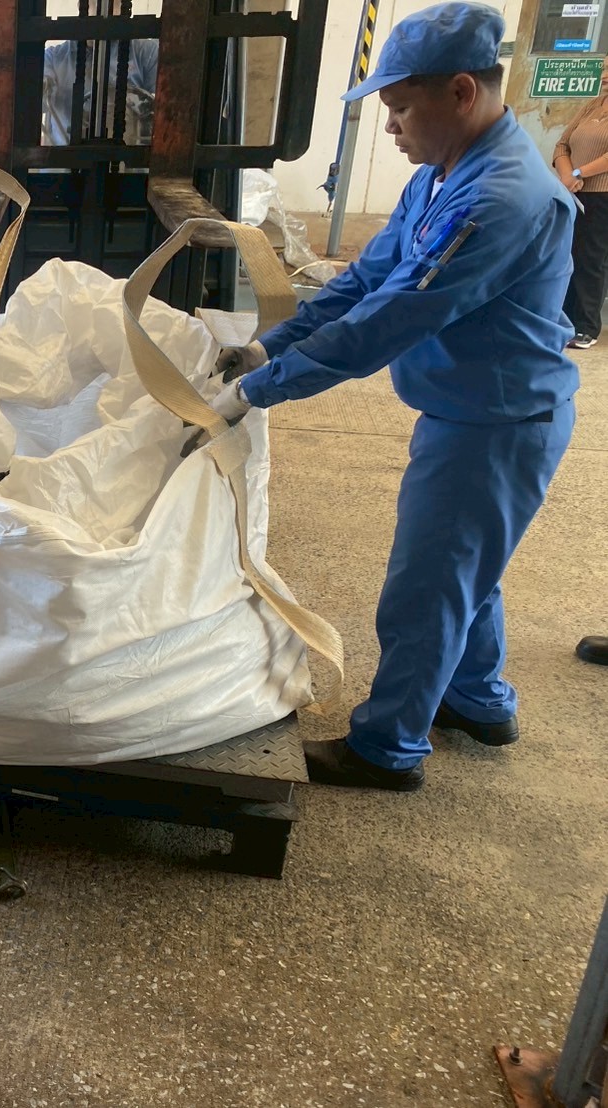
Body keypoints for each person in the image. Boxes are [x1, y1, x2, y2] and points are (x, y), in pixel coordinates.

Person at [210, 1, 579, 791]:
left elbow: (388, 321)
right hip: (469, 408)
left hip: (495, 424)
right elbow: (366, 282)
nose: (390, 128)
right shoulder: (443, 174)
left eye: (401, 109)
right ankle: (477, 700)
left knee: (427, 586)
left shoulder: (498, 199)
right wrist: (267, 346)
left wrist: (256, 391)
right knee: (463, 569)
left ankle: (387, 750)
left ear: (460, 93)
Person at [551, 88, 608, 348]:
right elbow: (562, 144)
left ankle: (586, 326)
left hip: (601, 195)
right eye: (603, 69)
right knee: (566, 254)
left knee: (591, 260)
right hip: (572, 191)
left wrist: (578, 173)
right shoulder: (592, 106)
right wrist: (567, 176)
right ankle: (564, 321)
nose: (605, 75)